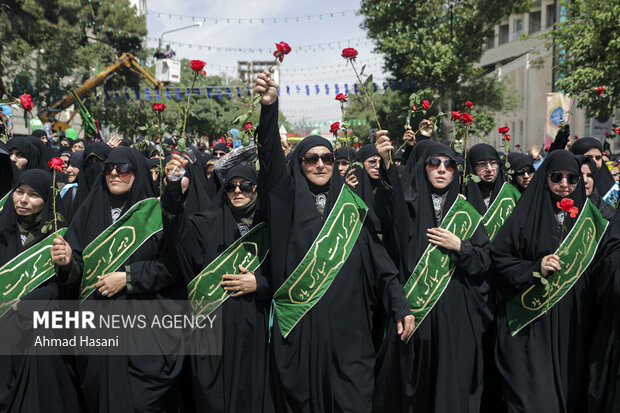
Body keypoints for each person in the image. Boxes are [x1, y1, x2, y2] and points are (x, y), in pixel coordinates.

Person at [254, 70, 414, 413]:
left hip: (350, 340)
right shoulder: (285, 204)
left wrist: (399, 305)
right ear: (299, 164)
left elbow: (382, 267)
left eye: (327, 158)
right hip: (298, 337)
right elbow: (268, 159)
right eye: (311, 158)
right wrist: (269, 109)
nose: (321, 164)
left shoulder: (352, 209)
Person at [50, 147, 183, 412]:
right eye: (109, 168)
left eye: (123, 168)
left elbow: (172, 267)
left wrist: (128, 278)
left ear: (138, 173)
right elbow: (76, 270)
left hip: (144, 330)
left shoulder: (156, 214)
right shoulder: (87, 212)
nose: (115, 173)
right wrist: (66, 263)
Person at [373, 136, 492, 413]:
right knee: (414, 391)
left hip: (457, 322)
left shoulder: (467, 213)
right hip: (417, 318)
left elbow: (485, 262)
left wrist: (460, 246)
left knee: (451, 392)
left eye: (449, 165)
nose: (441, 169)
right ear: (423, 168)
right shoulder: (410, 209)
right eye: (434, 163)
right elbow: (391, 202)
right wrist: (388, 162)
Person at [491, 150, 598, 412]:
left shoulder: (590, 220)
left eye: (572, 178)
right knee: (535, 399)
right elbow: (499, 260)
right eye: (556, 177)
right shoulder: (524, 216)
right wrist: (534, 267)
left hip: (572, 324)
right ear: (544, 178)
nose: (564, 184)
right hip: (530, 324)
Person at [162, 155, 271, 412]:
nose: (238, 191)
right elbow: (177, 233)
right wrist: (174, 190)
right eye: (231, 186)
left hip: (255, 329)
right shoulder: (206, 222)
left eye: (246, 186)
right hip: (212, 334)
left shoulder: (270, 226)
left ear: (256, 189)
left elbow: (286, 274)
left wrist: (260, 284)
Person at [0, 170, 82, 412]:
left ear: (47, 199)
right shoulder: (3, 231)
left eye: (33, 195)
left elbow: (71, 285)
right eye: (19, 192)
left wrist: (66, 265)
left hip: (39, 330)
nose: (23, 200)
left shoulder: (58, 235)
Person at [465, 143, 505, 214]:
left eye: (493, 163)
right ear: (472, 167)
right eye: (482, 164)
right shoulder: (463, 196)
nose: (489, 169)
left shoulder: (506, 194)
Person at [577, 155, 616, 219]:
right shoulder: (563, 209)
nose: (585, 180)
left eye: (589, 175)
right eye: (580, 175)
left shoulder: (608, 212)